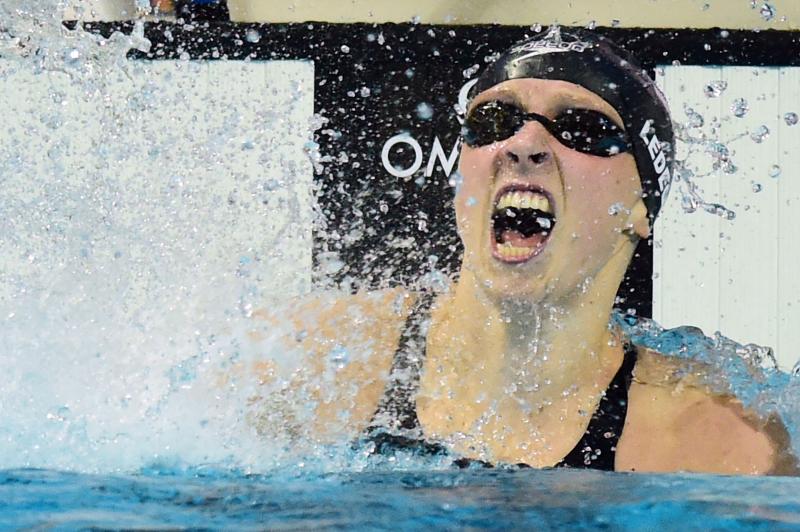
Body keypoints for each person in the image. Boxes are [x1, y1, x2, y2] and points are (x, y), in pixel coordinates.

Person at [246, 27, 798, 475]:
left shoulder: (715, 446)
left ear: (640, 208)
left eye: (582, 128)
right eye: (494, 121)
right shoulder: (309, 364)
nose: (524, 144)